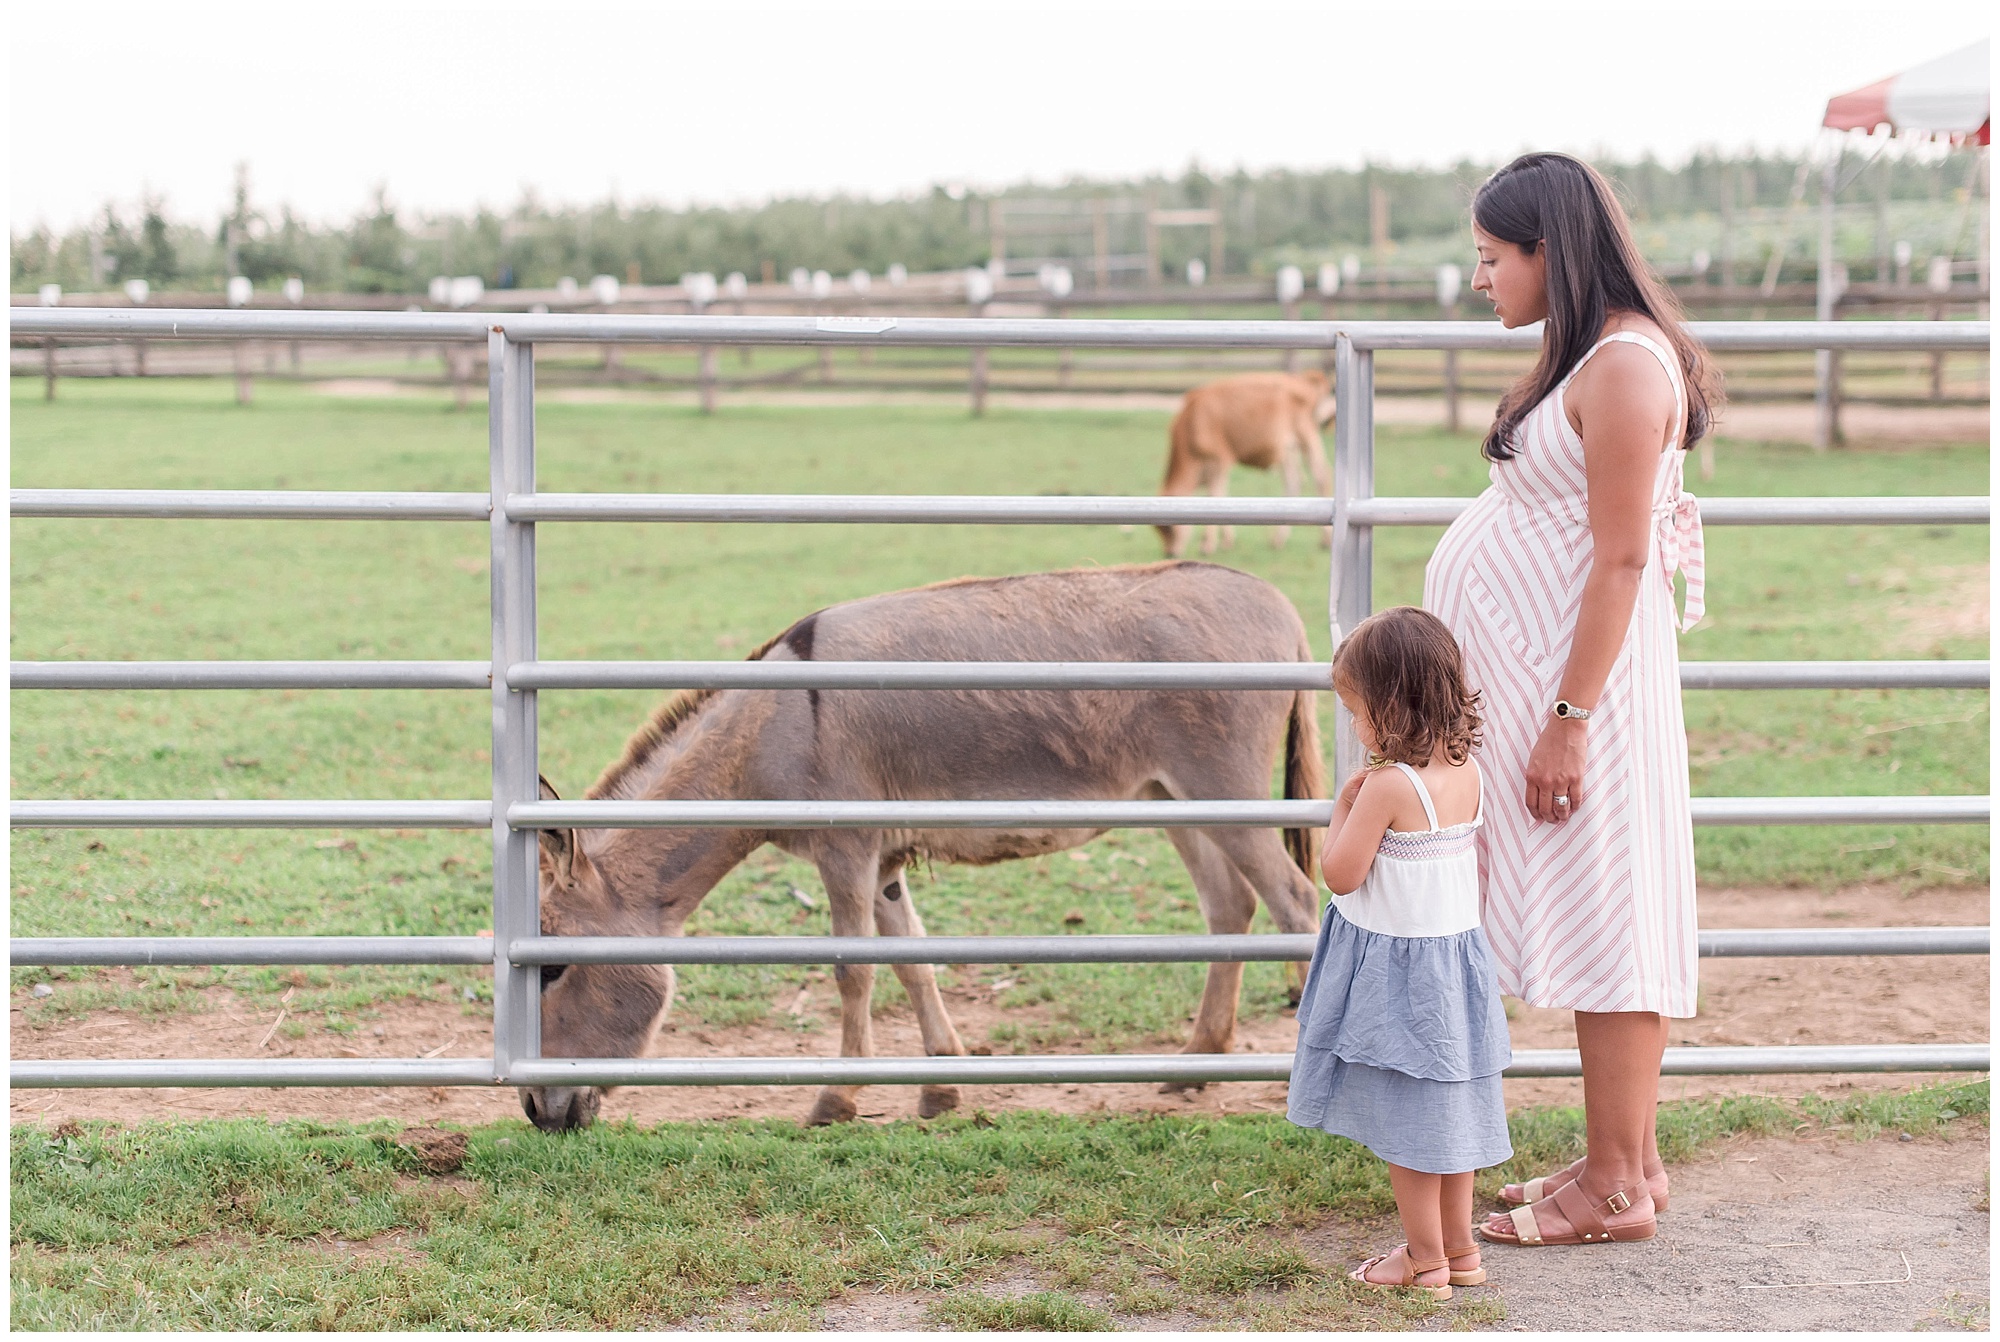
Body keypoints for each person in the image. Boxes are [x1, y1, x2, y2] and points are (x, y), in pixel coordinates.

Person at [1425, 152, 1718, 1248]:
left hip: (1584, 697)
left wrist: (1565, 719)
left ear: (1550, 250)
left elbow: (1620, 561)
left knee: (1611, 916)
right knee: (1597, 910)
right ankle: (1625, 1161)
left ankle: (1609, 1189)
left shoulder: (1627, 368)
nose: (1478, 277)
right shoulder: (1592, 358)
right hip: (1553, 691)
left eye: (1491, 257)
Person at [1288, 606, 1513, 1299]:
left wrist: (1342, 808)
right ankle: (1461, 1248)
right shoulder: (1469, 770)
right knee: (1452, 1116)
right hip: (1455, 968)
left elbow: (1340, 874)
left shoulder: (1387, 786)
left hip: (1399, 979)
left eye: (1355, 711)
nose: (1354, 727)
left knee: (1407, 1129)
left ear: (1388, 706)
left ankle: (1423, 1260)